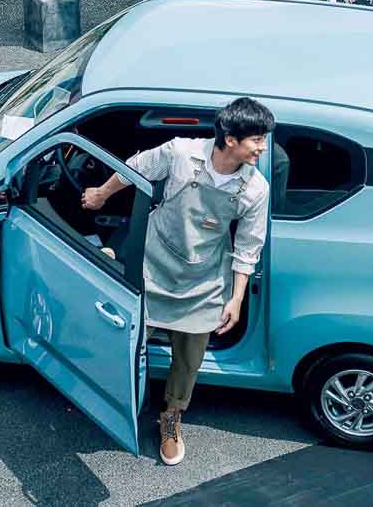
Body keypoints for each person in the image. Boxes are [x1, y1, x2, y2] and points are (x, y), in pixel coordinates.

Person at [81, 97, 273, 466]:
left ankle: (171, 417)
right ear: (230, 139)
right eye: (257, 140)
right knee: (123, 340)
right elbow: (136, 168)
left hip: (203, 280)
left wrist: (235, 299)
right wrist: (102, 194)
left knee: (188, 361)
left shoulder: (255, 188)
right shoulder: (182, 153)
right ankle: (112, 401)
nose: (262, 148)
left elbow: (248, 248)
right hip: (152, 266)